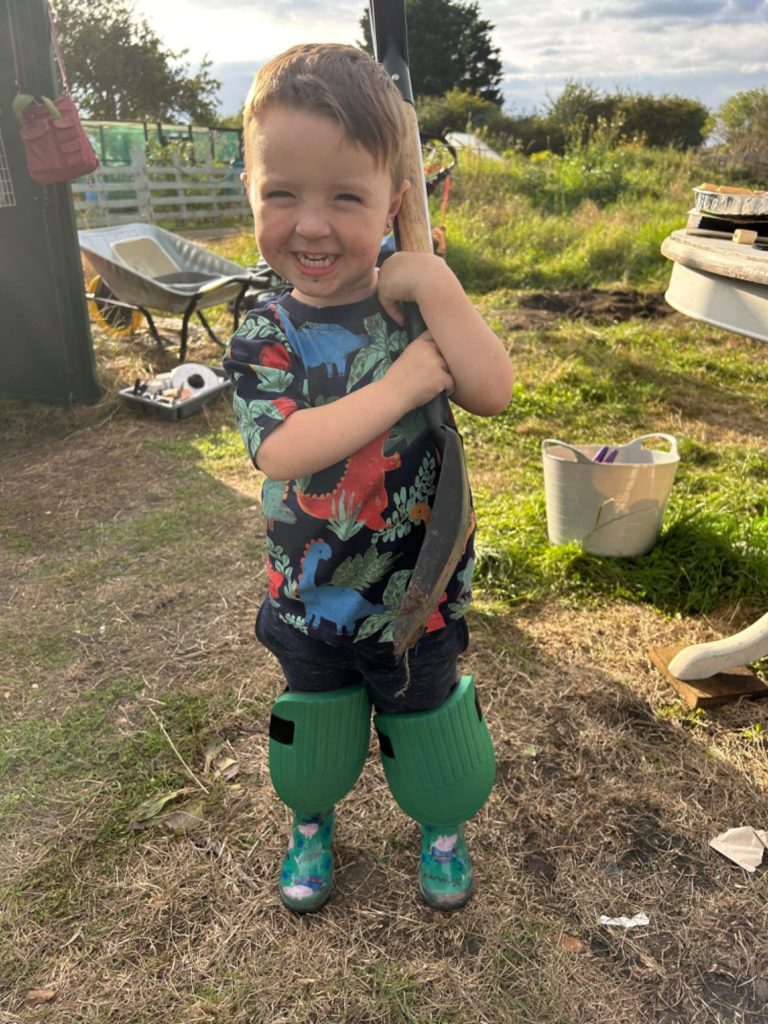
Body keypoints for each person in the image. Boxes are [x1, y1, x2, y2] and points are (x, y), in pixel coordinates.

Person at [223, 43, 512, 914]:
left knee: (433, 737)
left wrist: (440, 289)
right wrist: (401, 386)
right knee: (315, 735)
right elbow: (282, 452)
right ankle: (311, 820)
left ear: (396, 200)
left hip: (416, 598)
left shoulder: (413, 296)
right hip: (310, 598)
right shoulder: (262, 329)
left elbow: (494, 391)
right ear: (250, 191)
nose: (311, 225)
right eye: (282, 194)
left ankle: (444, 829)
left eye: (346, 198)